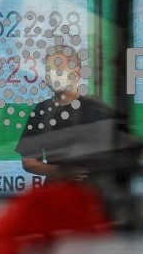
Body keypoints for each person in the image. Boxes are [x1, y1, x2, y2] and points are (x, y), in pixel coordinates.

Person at [16, 46, 120, 184]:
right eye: (48, 69)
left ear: (76, 73)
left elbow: (116, 157)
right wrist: (60, 172)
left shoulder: (98, 109)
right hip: (55, 194)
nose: (52, 74)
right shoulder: (41, 110)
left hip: (91, 195)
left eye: (58, 68)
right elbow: (29, 162)